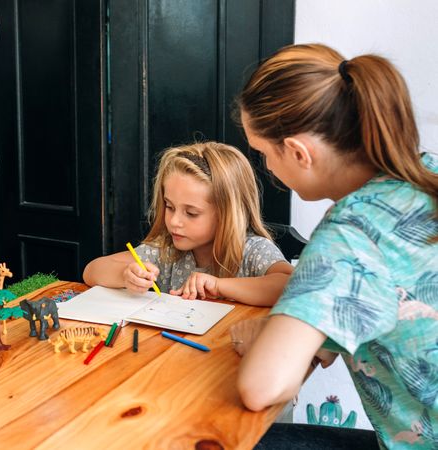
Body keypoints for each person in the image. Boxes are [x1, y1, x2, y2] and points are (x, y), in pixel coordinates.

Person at [236, 43, 438, 449]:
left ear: (299, 152)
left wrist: (264, 337)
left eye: (263, 154)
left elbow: (262, 387)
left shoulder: (349, 233)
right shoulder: (425, 172)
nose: (268, 168)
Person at [83, 142, 293, 306]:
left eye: (191, 213)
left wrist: (219, 286)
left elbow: (291, 286)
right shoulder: (166, 250)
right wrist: (125, 275)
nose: (174, 221)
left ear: (228, 214)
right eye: (169, 206)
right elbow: (92, 270)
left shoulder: (253, 250)